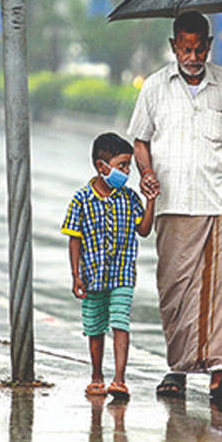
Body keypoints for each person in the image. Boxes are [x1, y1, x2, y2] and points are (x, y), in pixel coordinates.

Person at [126, 11, 222, 400]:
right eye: (186, 48)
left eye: (200, 48)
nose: (193, 55)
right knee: (175, 287)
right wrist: (146, 173)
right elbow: (140, 141)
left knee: (219, 290)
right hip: (172, 203)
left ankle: (220, 372)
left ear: (209, 46)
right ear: (174, 47)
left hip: (216, 201)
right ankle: (177, 371)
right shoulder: (154, 87)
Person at [62, 133, 157, 400]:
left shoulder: (129, 198)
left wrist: (151, 201)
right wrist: (76, 275)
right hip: (93, 276)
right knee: (94, 327)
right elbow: (74, 240)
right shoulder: (81, 200)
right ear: (102, 167)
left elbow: (144, 230)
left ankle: (119, 379)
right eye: (122, 165)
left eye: (128, 166)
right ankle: (96, 376)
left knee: (120, 321)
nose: (127, 171)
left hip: (122, 273)